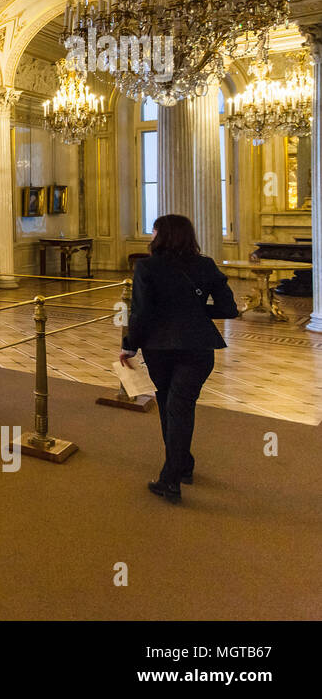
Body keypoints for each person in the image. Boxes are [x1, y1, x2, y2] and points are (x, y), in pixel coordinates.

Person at [119, 214, 239, 504]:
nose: (151, 237)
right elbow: (229, 308)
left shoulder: (147, 266)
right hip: (198, 348)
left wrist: (129, 346)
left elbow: (141, 312)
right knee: (179, 407)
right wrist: (195, 312)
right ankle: (183, 465)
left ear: (161, 236)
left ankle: (171, 480)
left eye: (154, 232)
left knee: (169, 404)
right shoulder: (205, 265)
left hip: (160, 348)